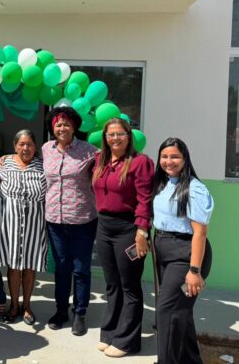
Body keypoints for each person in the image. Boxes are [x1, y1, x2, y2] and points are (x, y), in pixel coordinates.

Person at [92, 117, 154, 358]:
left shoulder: (140, 163)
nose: (115, 138)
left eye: (120, 134)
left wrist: (142, 232)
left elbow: (145, 199)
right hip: (104, 226)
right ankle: (110, 332)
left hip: (129, 229)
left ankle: (128, 341)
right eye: (110, 134)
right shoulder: (100, 160)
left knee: (130, 286)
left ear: (129, 136)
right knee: (112, 284)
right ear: (105, 138)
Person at [152, 138, 214, 364]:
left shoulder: (195, 189)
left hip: (186, 255)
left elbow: (200, 233)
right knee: (181, 312)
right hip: (164, 251)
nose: (169, 161)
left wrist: (194, 271)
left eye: (175, 156)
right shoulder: (163, 183)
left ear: (185, 159)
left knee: (167, 312)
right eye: (164, 156)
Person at [42, 106, 97, 336]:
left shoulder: (90, 151)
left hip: (82, 219)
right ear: (52, 127)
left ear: (74, 127)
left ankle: (79, 313)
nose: (62, 128)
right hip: (54, 219)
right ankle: (61, 310)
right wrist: (6, 159)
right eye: (58, 124)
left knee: (81, 269)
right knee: (61, 267)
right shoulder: (46, 149)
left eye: (66, 124)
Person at [0, 130, 47, 325]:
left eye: (29, 144)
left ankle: (26, 305)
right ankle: (14, 304)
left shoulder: (43, 165)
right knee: (13, 267)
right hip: (9, 225)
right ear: (15, 146)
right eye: (21, 144)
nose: (25, 148)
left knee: (29, 266)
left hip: (34, 226)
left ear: (35, 147)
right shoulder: (5, 164)